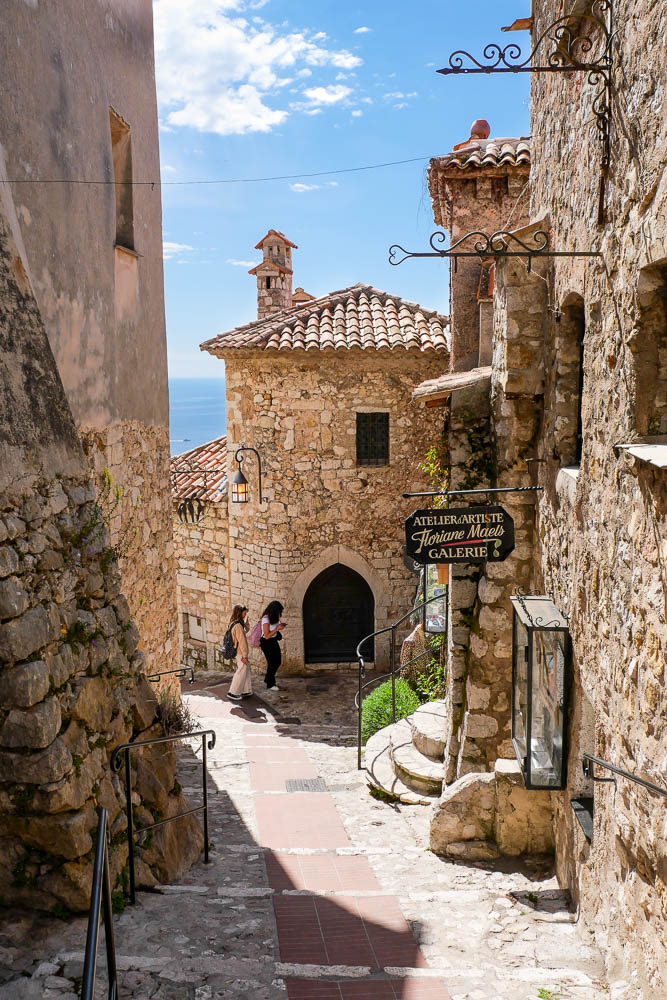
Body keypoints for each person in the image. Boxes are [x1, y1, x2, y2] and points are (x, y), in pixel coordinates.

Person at [260, 600, 286, 691]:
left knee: (277, 661)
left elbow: (274, 628)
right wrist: (277, 629)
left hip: (273, 641)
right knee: (272, 663)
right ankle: (270, 683)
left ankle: (268, 679)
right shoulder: (265, 619)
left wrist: (280, 626)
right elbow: (266, 636)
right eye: (279, 611)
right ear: (274, 611)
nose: (280, 613)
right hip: (266, 643)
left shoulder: (274, 618)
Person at [227, 605, 251, 701]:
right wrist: (245, 655)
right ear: (240, 613)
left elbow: (245, 631)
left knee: (245, 669)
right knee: (241, 671)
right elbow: (242, 641)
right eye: (244, 612)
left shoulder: (234, 623)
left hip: (237, 651)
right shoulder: (237, 626)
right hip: (240, 652)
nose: (245, 614)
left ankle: (246, 690)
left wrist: (246, 624)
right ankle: (233, 692)